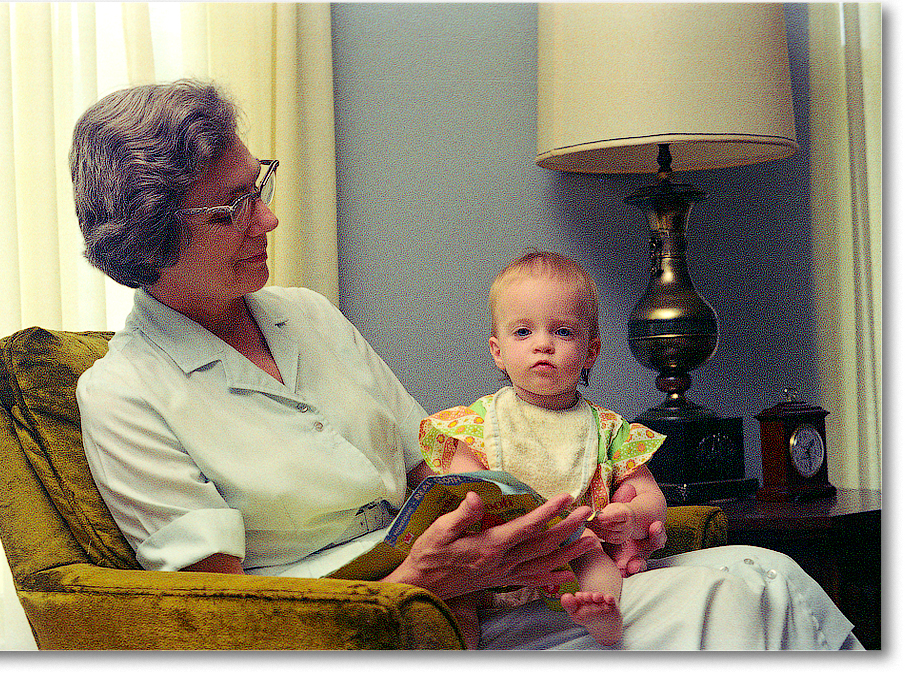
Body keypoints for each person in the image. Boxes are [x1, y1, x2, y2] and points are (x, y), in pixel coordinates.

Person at [70, 78, 862, 650]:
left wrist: (556, 530)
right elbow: (221, 617)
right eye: (233, 206)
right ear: (149, 240)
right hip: (371, 636)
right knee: (741, 596)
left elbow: (439, 469)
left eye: (259, 185)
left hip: (483, 603)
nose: (267, 216)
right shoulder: (125, 396)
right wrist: (418, 585)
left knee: (761, 575)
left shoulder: (305, 315)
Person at [418, 251, 667, 647]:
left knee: (596, 561)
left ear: (591, 351)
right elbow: (456, 486)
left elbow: (650, 493)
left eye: (563, 332)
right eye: (523, 333)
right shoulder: (477, 423)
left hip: (573, 547)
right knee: (454, 596)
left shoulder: (608, 429)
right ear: (497, 351)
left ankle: (602, 614)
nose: (543, 345)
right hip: (493, 558)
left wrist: (631, 515)